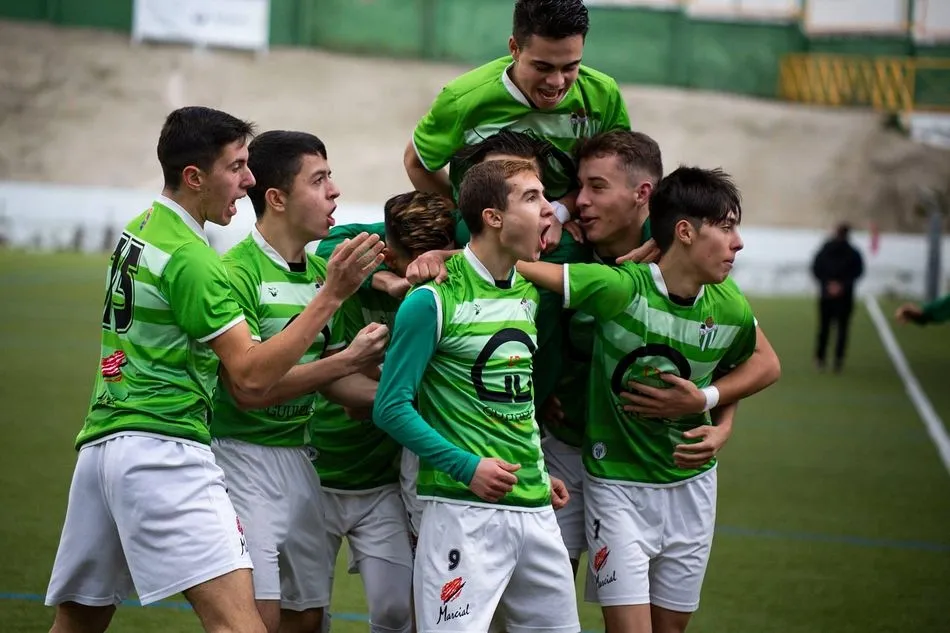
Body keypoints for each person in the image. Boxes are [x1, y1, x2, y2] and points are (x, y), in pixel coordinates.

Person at [44, 107, 384, 633]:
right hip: (164, 448)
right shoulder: (195, 261)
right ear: (194, 177)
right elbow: (249, 377)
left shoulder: (138, 233)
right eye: (237, 167)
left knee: (80, 619)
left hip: (103, 446)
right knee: (240, 623)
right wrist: (332, 298)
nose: (248, 181)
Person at [517, 166, 779, 633]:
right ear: (684, 232)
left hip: (692, 487)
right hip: (616, 487)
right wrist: (440, 256)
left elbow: (764, 364)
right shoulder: (619, 289)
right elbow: (513, 265)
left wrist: (709, 402)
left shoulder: (729, 304)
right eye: (726, 226)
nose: (738, 242)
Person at [373, 160, 580, 633]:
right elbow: (390, 407)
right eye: (532, 198)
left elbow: (514, 402)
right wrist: (467, 467)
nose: (549, 210)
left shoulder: (528, 292)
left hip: (535, 507)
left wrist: (537, 473)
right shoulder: (431, 300)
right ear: (493, 217)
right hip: (461, 513)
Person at [209, 130, 389, 633]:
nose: (334, 191)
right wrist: (348, 359)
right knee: (257, 618)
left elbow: (337, 383)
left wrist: (409, 401)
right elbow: (249, 391)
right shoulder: (234, 274)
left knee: (307, 616)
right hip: (240, 461)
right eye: (320, 179)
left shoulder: (319, 272)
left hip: (302, 460)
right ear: (277, 198)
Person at [310, 190, 457, 633]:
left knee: (398, 612)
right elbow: (325, 245)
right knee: (305, 614)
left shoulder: (446, 285)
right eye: (405, 263)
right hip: (317, 467)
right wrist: (385, 281)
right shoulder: (352, 265)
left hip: (381, 479)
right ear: (388, 249)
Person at [404, 0, 629, 222]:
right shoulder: (461, 100)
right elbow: (416, 162)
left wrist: (562, 213)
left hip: (571, 229)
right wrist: (462, 219)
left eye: (570, 67)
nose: (556, 82)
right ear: (514, 48)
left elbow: (621, 177)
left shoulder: (603, 94)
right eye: (542, 67)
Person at [810, 222, 864, 372]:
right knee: (839, 329)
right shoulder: (852, 252)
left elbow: (816, 268)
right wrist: (840, 286)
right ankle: (836, 360)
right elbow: (857, 272)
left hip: (830, 295)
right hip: (843, 296)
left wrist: (828, 284)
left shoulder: (827, 250)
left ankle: (822, 359)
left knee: (827, 328)